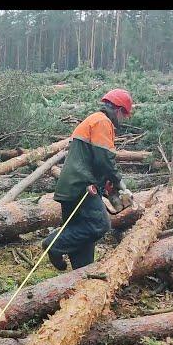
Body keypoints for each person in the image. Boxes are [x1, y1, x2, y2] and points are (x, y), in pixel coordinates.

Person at [42, 88, 134, 270]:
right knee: (99, 224)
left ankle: (80, 276)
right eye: (124, 115)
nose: (123, 120)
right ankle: (53, 245)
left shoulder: (93, 120)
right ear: (118, 110)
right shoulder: (102, 122)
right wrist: (121, 185)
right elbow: (104, 160)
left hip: (71, 185)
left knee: (82, 235)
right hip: (81, 186)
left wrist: (105, 186)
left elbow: (93, 160)